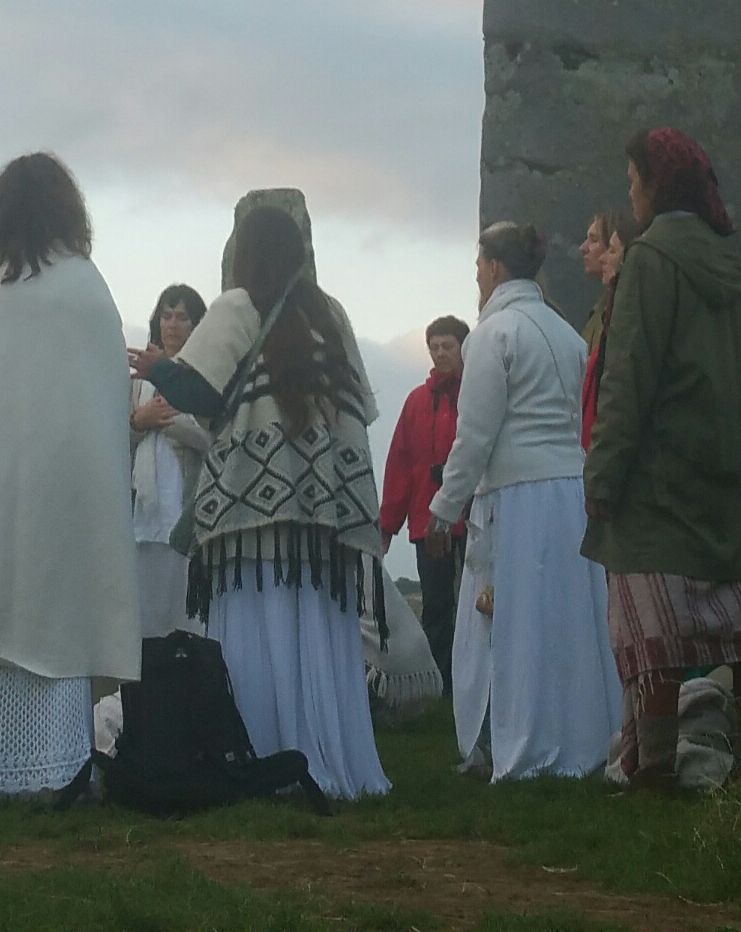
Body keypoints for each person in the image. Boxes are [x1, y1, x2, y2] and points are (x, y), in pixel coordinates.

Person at [142, 201, 392, 801]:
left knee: (256, 635)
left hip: (248, 513)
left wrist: (158, 367)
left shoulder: (236, 305)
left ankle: (256, 754)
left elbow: (199, 388)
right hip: (322, 513)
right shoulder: (330, 314)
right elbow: (362, 406)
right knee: (317, 631)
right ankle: (337, 760)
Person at [0, 153, 140, 801]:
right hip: (62, 484)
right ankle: (57, 768)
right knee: (55, 612)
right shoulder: (83, 283)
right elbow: (110, 388)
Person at [584, 128, 741, 795]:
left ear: (658, 184)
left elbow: (628, 375)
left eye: (635, 178)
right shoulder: (730, 261)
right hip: (718, 472)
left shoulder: (651, 257)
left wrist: (603, 477)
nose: (630, 190)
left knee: (652, 634)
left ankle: (656, 769)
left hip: (655, 480)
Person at [433, 222, 615, 781]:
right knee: (561, 621)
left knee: (509, 624)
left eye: (480, 263)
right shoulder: (567, 334)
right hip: (569, 493)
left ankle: (519, 743)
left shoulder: (492, 333)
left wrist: (445, 505)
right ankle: (577, 734)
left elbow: (475, 434)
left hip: (517, 497)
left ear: (493, 268)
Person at [380, 316, 472, 687]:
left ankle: (475, 686)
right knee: (436, 606)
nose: (440, 353)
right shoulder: (416, 402)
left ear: (464, 349)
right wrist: (387, 525)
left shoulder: (478, 393)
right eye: (434, 346)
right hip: (425, 522)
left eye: (447, 345)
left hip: (473, 520)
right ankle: (439, 687)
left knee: (475, 606)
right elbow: (400, 464)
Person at [129, 283, 212, 644]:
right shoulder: (137, 380)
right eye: (166, 315)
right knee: (147, 622)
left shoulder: (204, 375)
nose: (172, 324)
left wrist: (172, 419)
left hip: (187, 508)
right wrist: (138, 421)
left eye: (182, 317)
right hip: (144, 513)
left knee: (187, 620)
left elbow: (213, 439)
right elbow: (121, 438)